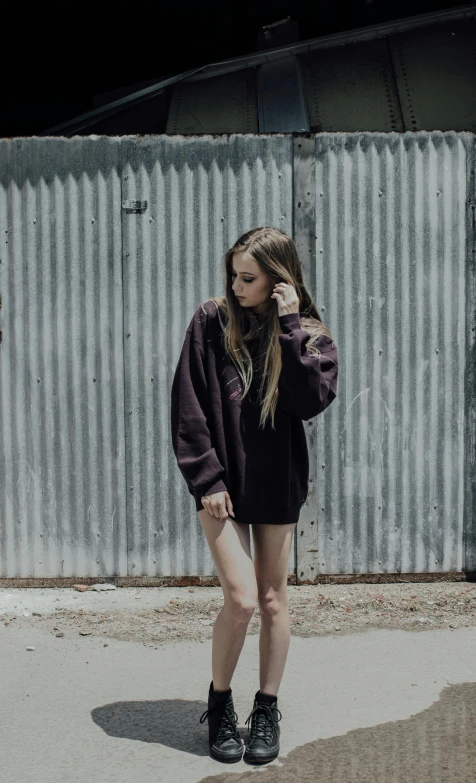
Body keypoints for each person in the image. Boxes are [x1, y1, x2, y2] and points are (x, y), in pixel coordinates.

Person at [170, 226, 339, 765]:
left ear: (278, 281)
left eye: (249, 278)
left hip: (275, 483)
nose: (236, 286)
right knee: (241, 600)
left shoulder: (309, 334)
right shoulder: (210, 320)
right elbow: (189, 403)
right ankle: (220, 705)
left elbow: (310, 401)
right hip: (222, 484)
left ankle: (265, 708)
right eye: (234, 275)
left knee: (273, 601)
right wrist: (207, 479)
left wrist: (289, 326)